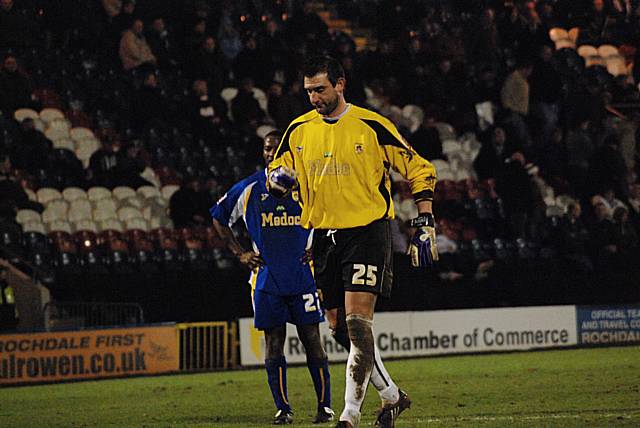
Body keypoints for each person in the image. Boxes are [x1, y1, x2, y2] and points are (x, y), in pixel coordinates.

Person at [267, 56, 438, 428]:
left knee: (359, 324)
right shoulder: (298, 130)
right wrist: (276, 179)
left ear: (340, 84)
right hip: (324, 239)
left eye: (321, 89)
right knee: (337, 327)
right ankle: (392, 396)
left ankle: (349, 415)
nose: (314, 97)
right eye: (309, 91)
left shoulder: (371, 125)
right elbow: (276, 170)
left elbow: (419, 167)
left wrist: (424, 220)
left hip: (367, 232)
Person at [210, 131, 335, 425]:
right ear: (262, 152)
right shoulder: (250, 187)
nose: (272, 152)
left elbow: (332, 217)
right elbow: (218, 216)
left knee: (312, 341)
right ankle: (283, 408)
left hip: (303, 277)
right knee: (274, 342)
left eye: (277, 147)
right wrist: (239, 252)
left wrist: (320, 249)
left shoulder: (307, 184)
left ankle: (324, 407)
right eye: (268, 148)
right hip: (266, 280)